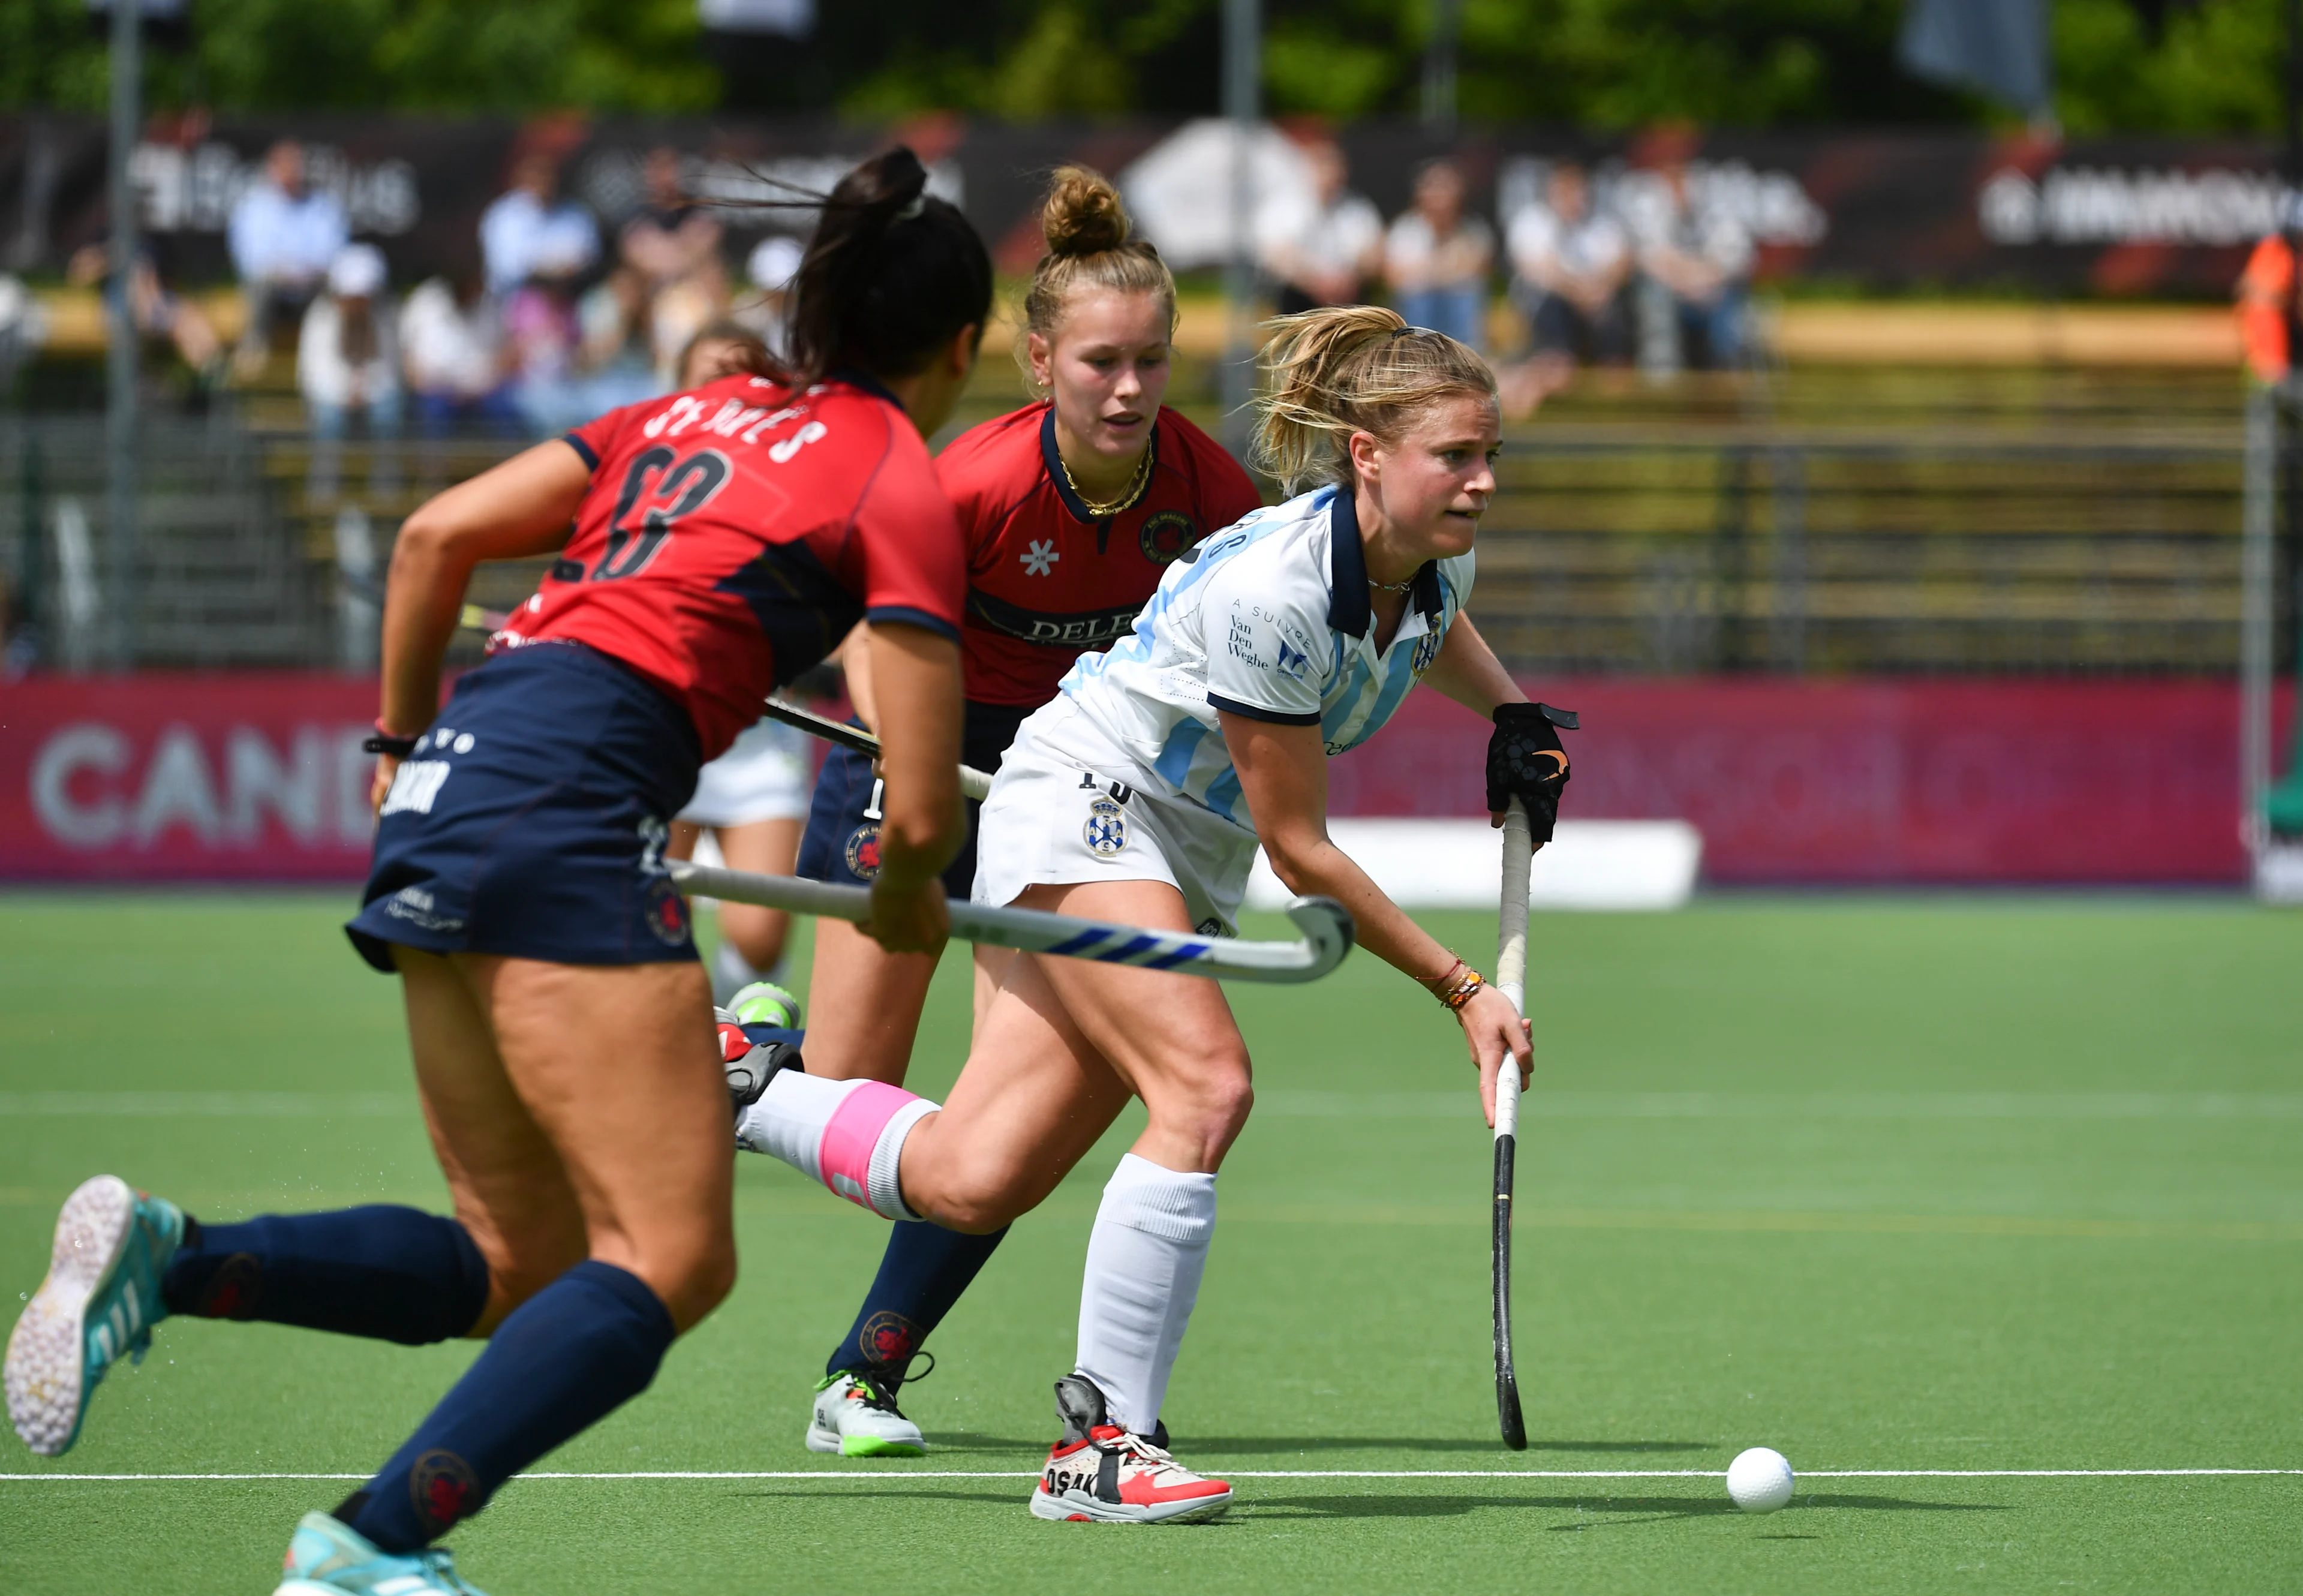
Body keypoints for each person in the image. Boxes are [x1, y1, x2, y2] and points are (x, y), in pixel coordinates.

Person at [4, 147, 992, 1596]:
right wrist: (909, 888)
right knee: (671, 1257)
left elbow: (431, 539)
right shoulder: (892, 474)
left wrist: (397, 745)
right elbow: (912, 801)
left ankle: (173, 1257)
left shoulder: (687, 410)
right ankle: (369, 1543)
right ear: (959, 346)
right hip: (569, 805)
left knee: (513, 1259)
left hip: (456, 778)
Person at [729, 303, 1568, 1522]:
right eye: (1457, 457)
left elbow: (1430, 625)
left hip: (1174, 847)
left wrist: (1512, 712)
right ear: (1368, 456)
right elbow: (1298, 849)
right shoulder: (1279, 593)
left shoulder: (1434, 551)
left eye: (1491, 455)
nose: (1483, 481)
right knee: (1205, 1086)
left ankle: (749, 1081)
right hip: (1090, 804)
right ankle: (1104, 1445)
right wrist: (1461, 987)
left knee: (975, 1174)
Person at [753, 165, 1263, 1459]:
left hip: (1081, 797)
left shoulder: (1210, 497)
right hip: (922, 761)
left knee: (1008, 1120)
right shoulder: (967, 485)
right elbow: (874, 638)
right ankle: (750, 1061)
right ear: (1038, 361)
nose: (1129, 389)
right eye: (1100, 362)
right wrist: (902, 749)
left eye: (1152, 361)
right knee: (851, 1090)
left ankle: (861, 1378)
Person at [662, 320, 825, 1005]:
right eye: (710, 383)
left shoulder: (802, 492)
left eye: (745, 384)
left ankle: (727, 1042)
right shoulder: (643, 484)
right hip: (663, 740)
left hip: (760, 748)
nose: (728, 400)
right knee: (644, 925)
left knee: (758, 941)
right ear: (677, 396)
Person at [1500, 163, 1632, 415]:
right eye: (1565, 190)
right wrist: (1581, 291)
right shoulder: (1532, 221)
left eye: (1577, 190)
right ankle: (1556, 361)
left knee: (1615, 306)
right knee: (1553, 302)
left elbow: (1622, 263)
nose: (1572, 198)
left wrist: (1597, 290)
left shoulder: (1602, 224)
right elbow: (1538, 270)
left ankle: (1612, 370)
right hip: (1547, 311)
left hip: (1596, 308)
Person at [229, 140, 349, 377]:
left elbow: (334, 255)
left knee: (340, 285)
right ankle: (255, 352)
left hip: (313, 289)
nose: (290, 171)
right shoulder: (253, 208)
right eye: (283, 165)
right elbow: (252, 260)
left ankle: (334, 359)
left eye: (294, 165)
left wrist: (303, 272)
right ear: (271, 168)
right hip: (271, 292)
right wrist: (287, 273)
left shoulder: (323, 207)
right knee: (259, 283)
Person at [299, 244, 403, 505]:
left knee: (388, 413)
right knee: (329, 419)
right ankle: (324, 490)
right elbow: (312, 373)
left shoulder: (386, 317)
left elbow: (391, 371)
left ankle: (386, 491)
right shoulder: (321, 316)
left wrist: (365, 390)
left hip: (374, 396)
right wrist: (345, 392)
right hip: (331, 398)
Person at [1631, 160, 1754, 374]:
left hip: (1714, 293)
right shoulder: (1654, 207)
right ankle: (1664, 377)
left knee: (1731, 300)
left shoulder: (1719, 207)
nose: (1679, 188)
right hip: (1675, 292)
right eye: (1672, 181)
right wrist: (1690, 281)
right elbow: (1651, 260)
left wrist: (1699, 278)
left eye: (1683, 180)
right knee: (1654, 297)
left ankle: (1728, 374)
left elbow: (1736, 260)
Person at [1258, 137, 1385, 315]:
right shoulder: (1283, 207)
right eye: (1323, 165)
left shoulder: (1358, 207)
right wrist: (1315, 281)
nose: (1330, 173)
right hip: (1299, 294)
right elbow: (1278, 256)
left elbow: (1374, 254)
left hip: (1348, 293)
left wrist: (1350, 277)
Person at [1382, 158, 1494, 350]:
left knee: (1466, 296)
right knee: (1420, 299)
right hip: (1420, 303)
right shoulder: (1405, 230)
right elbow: (1394, 276)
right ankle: (1419, 352)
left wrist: (1432, 273)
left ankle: (1467, 353)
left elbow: (1479, 268)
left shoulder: (1472, 229)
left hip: (1457, 301)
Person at [401, 259, 518, 441]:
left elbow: (506, 354)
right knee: (432, 411)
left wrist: (479, 385)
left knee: (505, 409)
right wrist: (437, 387)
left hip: (484, 391)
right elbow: (410, 363)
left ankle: (508, 470)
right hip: (436, 392)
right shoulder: (425, 302)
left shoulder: (491, 303)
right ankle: (434, 470)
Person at [479, 153, 599, 298]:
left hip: (570, 296)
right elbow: (506, 267)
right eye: (535, 179)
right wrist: (551, 269)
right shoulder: (502, 216)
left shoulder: (575, 213)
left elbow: (589, 256)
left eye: (547, 178)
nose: (543, 184)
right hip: (514, 299)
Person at [2238, 200, 2299, 387]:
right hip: (2266, 338)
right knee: (2268, 389)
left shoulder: (2287, 255)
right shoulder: (2272, 249)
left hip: (2285, 337)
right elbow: (2245, 286)